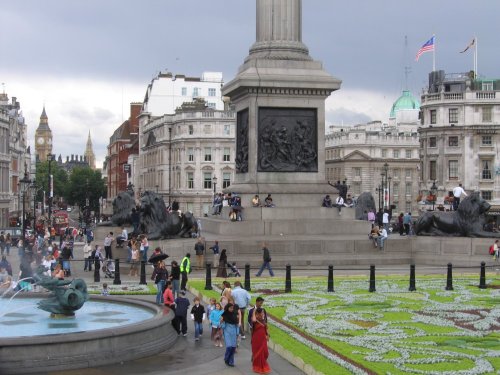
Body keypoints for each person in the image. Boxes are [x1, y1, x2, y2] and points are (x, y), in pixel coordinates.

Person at [251, 306, 271, 374]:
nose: (263, 314)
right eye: (262, 313)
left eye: (263, 313)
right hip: (256, 339)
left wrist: (268, 335)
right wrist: (254, 311)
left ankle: (261, 364)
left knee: (266, 353)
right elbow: (253, 319)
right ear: (258, 314)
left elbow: (266, 329)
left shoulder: (263, 321)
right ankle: (259, 367)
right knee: (259, 353)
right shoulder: (255, 320)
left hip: (263, 340)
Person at [221, 303, 239, 367]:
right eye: (230, 308)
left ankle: (231, 361)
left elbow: (237, 325)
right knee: (229, 347)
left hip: (234, 333)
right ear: (227, 308)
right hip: (227, 333)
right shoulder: (224, 315)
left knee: (233, 348)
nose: (232, 309)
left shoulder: (235, 315)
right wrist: (222, 322)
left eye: (232, 308)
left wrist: (237, 333)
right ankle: (226, 358)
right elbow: (222, 326)